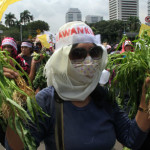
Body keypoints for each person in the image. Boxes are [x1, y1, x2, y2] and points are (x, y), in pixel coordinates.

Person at [5, 21, 150, 150]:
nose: (89, 60)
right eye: (78, 53)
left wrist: (146, 97)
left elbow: (131, 138)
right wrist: (12, 106)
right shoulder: (47, 100)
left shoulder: (103, 95)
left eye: (94, 52)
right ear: (62, 59)